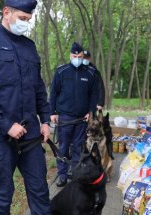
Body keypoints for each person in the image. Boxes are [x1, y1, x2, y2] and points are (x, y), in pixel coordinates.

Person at [0, 1, 51, 214]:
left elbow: (38, 88)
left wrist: (46, 121)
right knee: (2, 198)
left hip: (31, 135)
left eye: (29, 20)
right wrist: (7, 125)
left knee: (40, 192)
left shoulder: (29, 46)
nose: (26, 23)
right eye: (22, 19)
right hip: (0, 137)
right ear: (7, 12)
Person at [50, 42, 99, 187]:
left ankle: (75, 173)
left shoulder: (90, 73)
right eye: (74, 56)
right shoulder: (61, 72)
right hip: (64, 117)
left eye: (80, 56)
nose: (77, 58)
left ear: (83, 56)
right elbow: (53, 93)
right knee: (63, 147)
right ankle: (62, 175)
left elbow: (94, 94)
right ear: (70, 55)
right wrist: (52, 112)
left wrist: (91, 111)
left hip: (81, 118)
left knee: (78, 147)